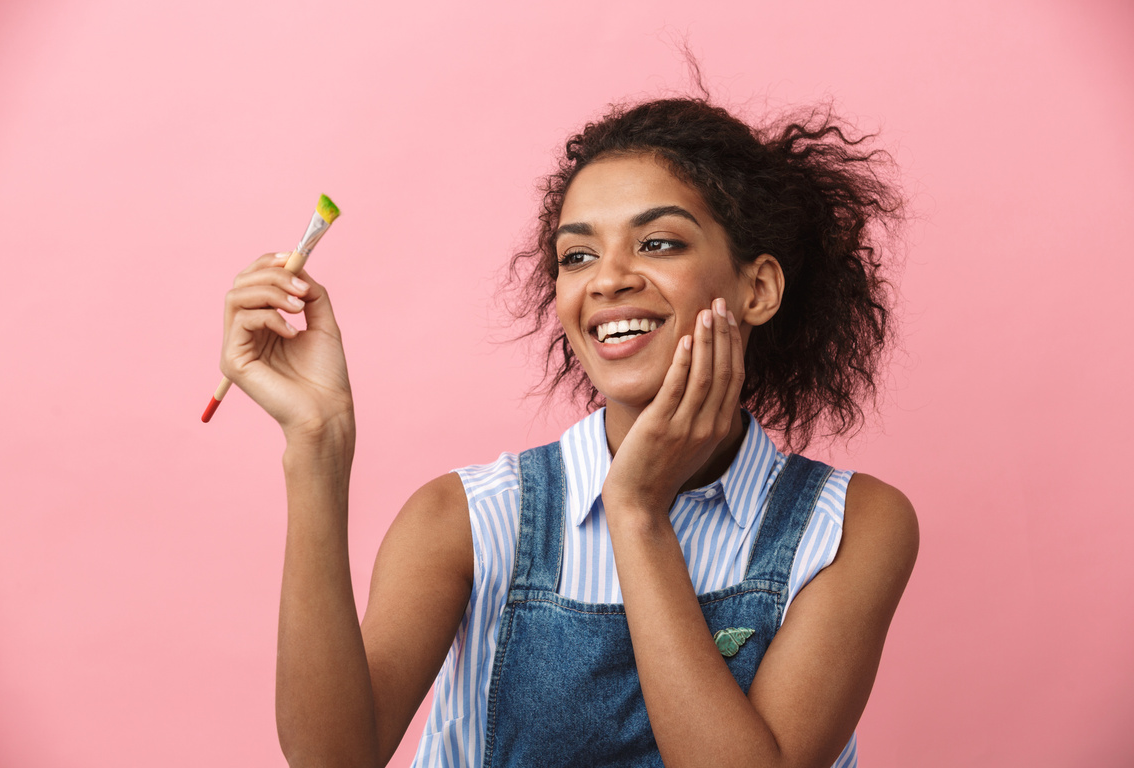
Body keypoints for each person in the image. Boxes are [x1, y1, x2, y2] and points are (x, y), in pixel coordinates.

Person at [218, 96, 919, 768]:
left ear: (756, 289)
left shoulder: (850, 527)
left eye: (659, 242)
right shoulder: (469, 519)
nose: (608, 280)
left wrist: (637, 511)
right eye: (577, 256)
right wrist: (316, 442)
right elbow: (333, 759)